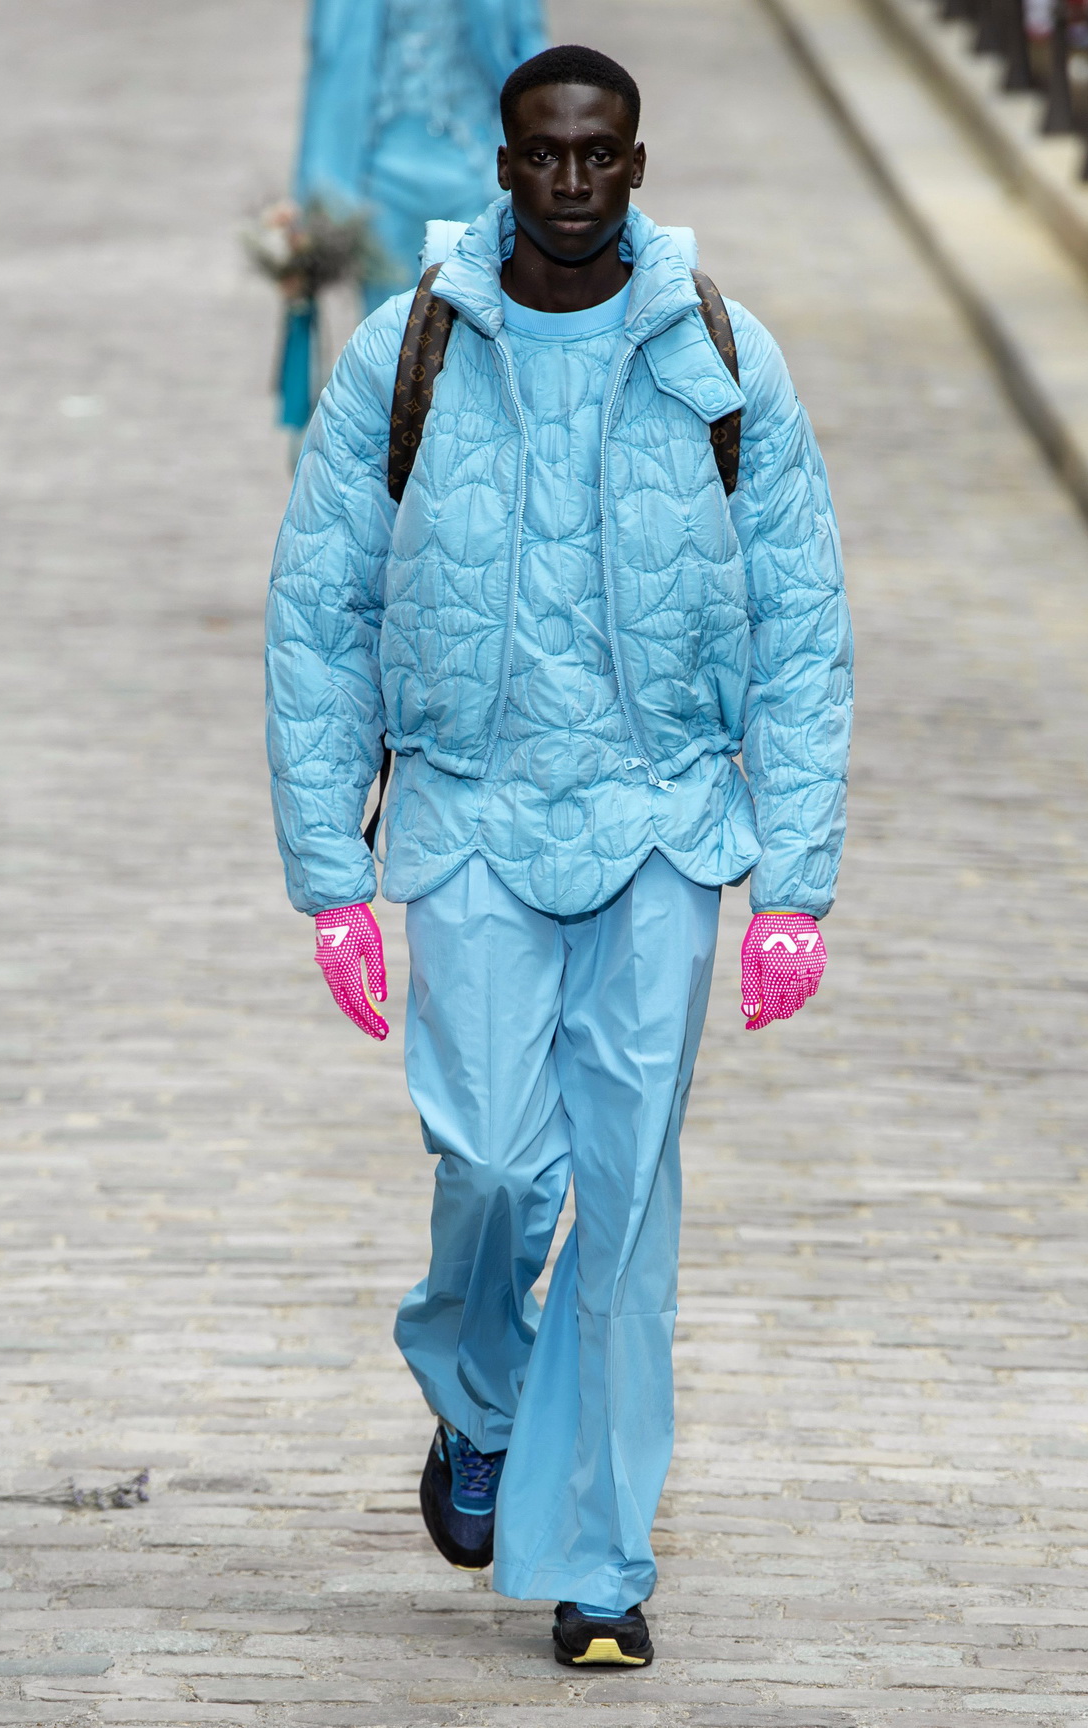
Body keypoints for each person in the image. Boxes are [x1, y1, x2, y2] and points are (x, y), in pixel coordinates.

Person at [266, 43, 853, 1668]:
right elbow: (322, 616)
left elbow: (803, 628)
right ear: (507, 168)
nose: (576, 182)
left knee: (628, 1191)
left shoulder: (725, 360)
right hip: (467, 812)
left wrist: (792, 878)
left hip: (663, 819)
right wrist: (331, 869)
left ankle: (601, 1559)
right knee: (498, 1158)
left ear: (637, 167)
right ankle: (478, 1387)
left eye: (603, 155)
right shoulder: (415, 351)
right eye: (548, 155)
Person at [294, 0, 547, 311]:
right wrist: (317, 194)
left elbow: (529, 47)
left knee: (478, 326)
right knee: (388, 334)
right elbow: (328, 59)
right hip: (380, 181)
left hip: (476, 169)